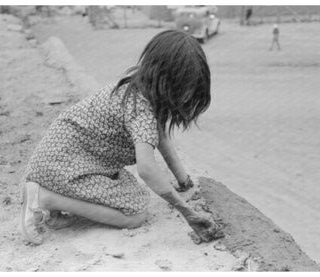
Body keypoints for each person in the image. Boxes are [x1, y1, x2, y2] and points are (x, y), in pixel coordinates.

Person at [20, 30, 223, 245]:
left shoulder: (137, 88)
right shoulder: (141, 110)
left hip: (59, 159)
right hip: (65, 167)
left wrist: (184, 181)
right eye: (186, 89)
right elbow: (146, 169)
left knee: (130, 189)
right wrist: (186, 211)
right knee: (135, 214)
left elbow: (161, 137)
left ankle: (55, 201)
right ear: (170, 80)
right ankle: (46, 198)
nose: (187, 96)